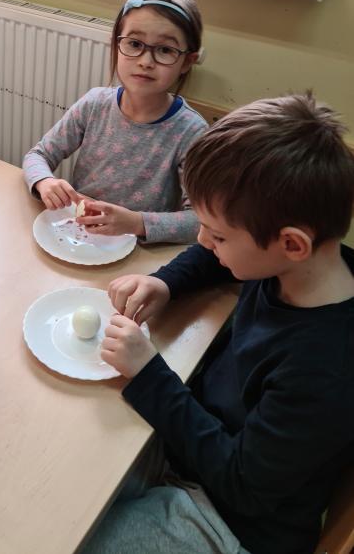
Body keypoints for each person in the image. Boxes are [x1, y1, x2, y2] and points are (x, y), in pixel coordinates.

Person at [84, 94, 354, 554]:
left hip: (231, 519)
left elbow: (242, 484)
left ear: (292, 244)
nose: (203, 240)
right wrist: (164, 283)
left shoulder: (325, 369)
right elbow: (214, 258)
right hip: (197, 444)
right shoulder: (296, 262)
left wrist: (148, 374)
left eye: (219, 235)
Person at [23, 0, 206, 243]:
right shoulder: (94, 104)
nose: (145, 61)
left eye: (165, 50)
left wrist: (135, 222)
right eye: (134, 44)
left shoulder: (192, 132)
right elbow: (37, 155)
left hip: (141, 252)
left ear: (187, 62)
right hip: (80, 238)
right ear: (117, 45)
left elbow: (200, 221)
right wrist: (45, 182)